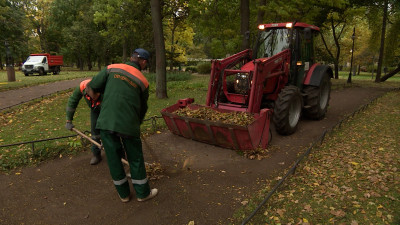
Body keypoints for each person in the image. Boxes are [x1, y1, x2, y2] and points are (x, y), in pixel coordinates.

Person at [87, 48, 158, 203]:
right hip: (129, 125)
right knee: (135, 158)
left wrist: (99, 103)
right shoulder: (143, 81)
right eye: (146, 63)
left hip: (106, 122)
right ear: (143, 62)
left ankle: (124, 195)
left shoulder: (111, 68)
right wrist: (137, 123)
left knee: (113, 159)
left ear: (132, 57)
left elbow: (90, 87)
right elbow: (142, 108)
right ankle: (142, 194)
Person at [65, 79, 102, 165]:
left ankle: (120, 155)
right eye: (93, 97)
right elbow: (72, 101)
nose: (95, 98)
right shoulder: (82, 87)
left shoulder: (105, 87)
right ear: (87, 92)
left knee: (111, 131)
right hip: (95, 109)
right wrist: (68, 120)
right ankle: (96, 154)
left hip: (108, 107)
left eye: (96, 96)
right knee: (95, 131)